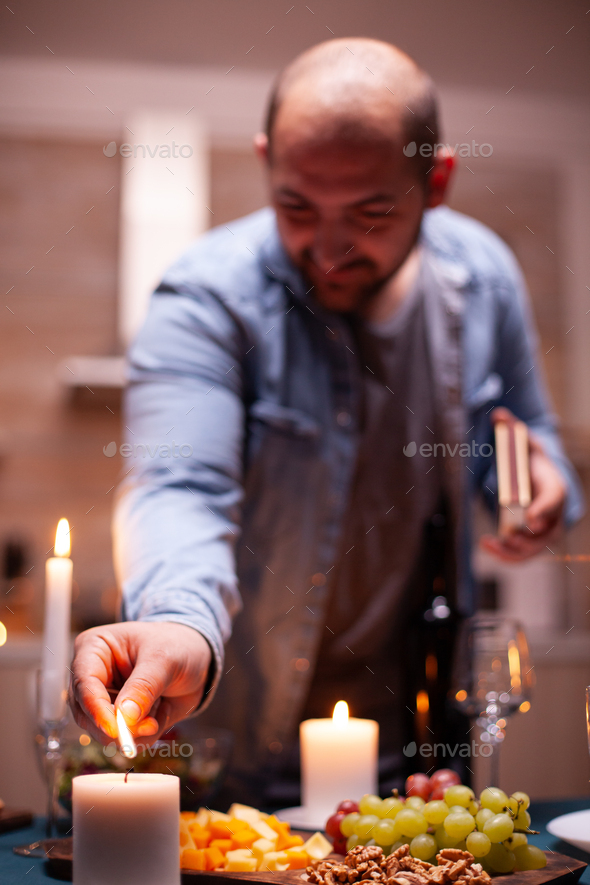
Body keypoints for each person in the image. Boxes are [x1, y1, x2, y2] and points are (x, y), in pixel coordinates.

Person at [70, 38, 582, 802]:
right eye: (296, 207)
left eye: (372, 212)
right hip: (236, 759)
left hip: (421, 757)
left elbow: (527, 438)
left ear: (436, 180)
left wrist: (544, 483)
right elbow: (180, 483)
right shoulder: (207, 297)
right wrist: (181, 626)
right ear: (266, 159)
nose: (332, 247)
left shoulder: (486, 281)